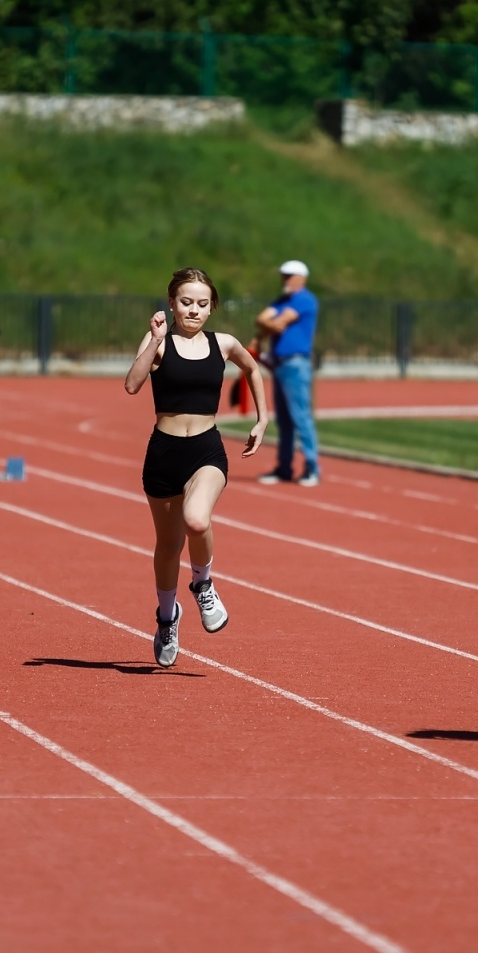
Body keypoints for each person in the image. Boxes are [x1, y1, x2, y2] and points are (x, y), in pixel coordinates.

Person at [125, 268, 268, 668]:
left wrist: (262, 419)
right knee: (168, 547)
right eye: (186, 302)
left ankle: (203, 582)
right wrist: (153, 342)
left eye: (203, 304)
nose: (194, 310)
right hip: (163, 452)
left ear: (212, 307)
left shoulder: (222, 343)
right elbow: (132, 384)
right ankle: (167, 617)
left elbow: (252, 368)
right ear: (171, 303)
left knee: (197, 520)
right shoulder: (159, 341)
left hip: (206, 449)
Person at [255, 259, 320, 486]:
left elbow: (276, 322)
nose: (284, 280)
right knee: (284, 420)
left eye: (289, 275)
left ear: (301, 278)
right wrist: (269, 324)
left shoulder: (304, 299)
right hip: (280, 364)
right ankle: (284, 467)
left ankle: (312, 466)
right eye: (283, 275)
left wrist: (268, 324)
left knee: (300, 417)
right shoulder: (282, 300)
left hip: (296, 364)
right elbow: (261, 319)